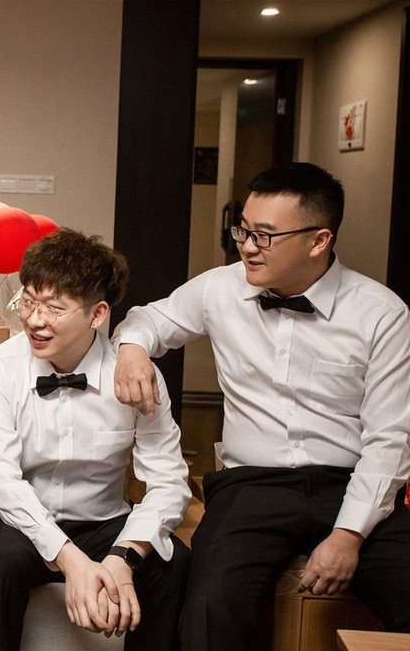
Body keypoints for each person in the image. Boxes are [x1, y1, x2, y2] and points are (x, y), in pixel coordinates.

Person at [113, 162, 410, 649]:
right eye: (244, 230)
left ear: (318, 241)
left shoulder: (382, 314)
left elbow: (389, 439)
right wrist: (131, 351)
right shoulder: (220, 288)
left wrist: (348, 536)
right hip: (251, 487)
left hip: (350, 482)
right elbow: (147, 320)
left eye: (264, 236)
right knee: (208, 609)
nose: (247, 246)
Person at [0, 229, 191, 651]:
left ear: (97, 314)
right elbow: (0, 481)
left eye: (54, 308)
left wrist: (123, 557)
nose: (35, 320)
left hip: (102, 522)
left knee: (173, 562)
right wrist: (72, 561)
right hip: (19, 521)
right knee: (1, 560)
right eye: (28, 301)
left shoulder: (135, 376)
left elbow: (169, 482)